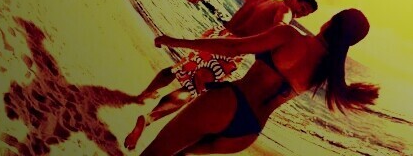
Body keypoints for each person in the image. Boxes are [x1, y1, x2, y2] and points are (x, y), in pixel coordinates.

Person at [138, 9, 379, 155]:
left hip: (227, 104)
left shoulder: (289, 35)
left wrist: (177, 41)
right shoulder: (326, 71)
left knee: (156, 152)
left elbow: (233, 48)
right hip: (246, 133)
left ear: (330, 22)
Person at [124, 0, 319, 150]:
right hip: (229, 49)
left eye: (305, 14)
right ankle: (148, 119)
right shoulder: (286, 12)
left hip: (217, 35)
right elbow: (280, 28)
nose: (300, 14)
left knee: (177, 69)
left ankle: (143, 95)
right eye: (302, 8)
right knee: (191, 90)